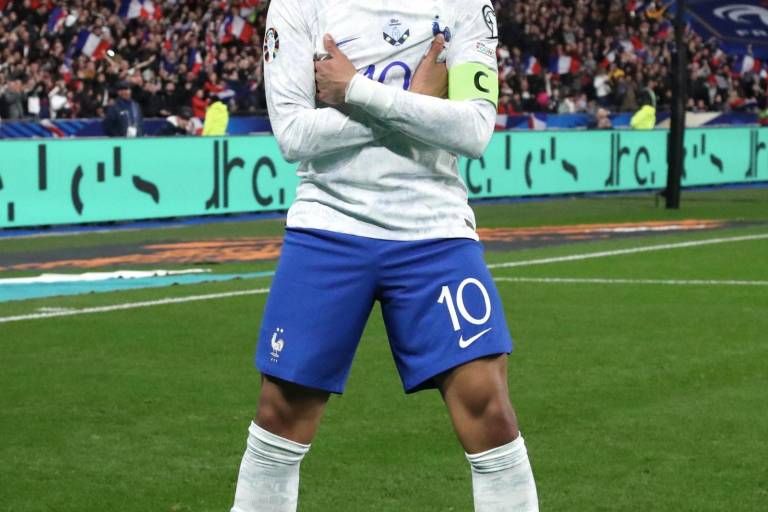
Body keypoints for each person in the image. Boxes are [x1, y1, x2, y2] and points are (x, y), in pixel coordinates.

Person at [230, 1, 539, 511]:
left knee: (489, 409)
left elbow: (474, 130)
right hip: (329, 224)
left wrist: (356, 91)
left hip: (435, 229)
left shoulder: (465, 5)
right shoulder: (298, 4)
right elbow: (293, 135)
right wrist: (413, 103)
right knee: (281, 413)